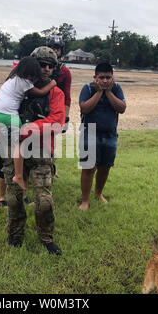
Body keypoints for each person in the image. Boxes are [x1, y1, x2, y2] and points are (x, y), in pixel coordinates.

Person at [0, 46, 65, 255]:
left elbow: (57, 121)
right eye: (42, 65)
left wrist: (24, 130)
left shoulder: (55, 93)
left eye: (51, 66)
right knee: (13, 198)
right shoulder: (13, 84)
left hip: (40, 150)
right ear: (33, 65)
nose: (47, 69)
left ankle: (46, 237)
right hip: (13, 149)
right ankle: (15, 235)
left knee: (44, 201)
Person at [0, 56, 57, 190]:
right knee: (21, 142)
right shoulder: (26, 83)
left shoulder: (12, 78)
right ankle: (18, 175)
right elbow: (40, 92)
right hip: (8, 114)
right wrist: (52, 84)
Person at [78, 63, 126, 210]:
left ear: (113, 77)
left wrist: (109, 92)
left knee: (105, 167)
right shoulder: (87, 88)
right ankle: (85, 200)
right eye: (101, 77)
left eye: (108, 77)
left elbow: (122, 108)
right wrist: (99, 92)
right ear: (95, 78)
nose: (105, 81)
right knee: (88, 167)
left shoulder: (116, 88)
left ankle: (98, 193)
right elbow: (84, 108)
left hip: (110, 134)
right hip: (89, 132)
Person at [47, 35, 72, 133]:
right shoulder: (37, 66)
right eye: (52, 48)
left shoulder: (65, 71)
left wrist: (66, 118)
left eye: (57, 49)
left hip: (54, 107)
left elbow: (67, 96)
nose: (55, 51)